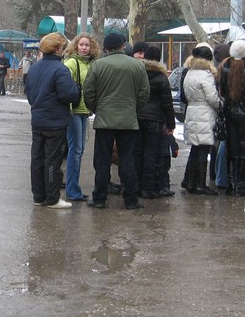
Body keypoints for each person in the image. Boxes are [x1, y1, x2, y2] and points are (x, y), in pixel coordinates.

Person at [84, 32, 151, 210]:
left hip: (104, 120)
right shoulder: (137, 66)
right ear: (123, 46)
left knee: (102, 160)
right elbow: (145, 93)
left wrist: (96, 109)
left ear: (106, 48)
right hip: (128, 120)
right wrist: (133, 109)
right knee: (127, 160)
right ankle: (131, 199)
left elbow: (88, 92)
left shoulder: (97, 65)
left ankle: (99, 198)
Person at [26, 32, 80, 209]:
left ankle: (38, 195)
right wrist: (76, 90)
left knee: (37, 158)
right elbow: (69, 95)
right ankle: (52, 198)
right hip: (55, 122)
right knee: (52, 161)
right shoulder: (60, 70)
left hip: (38, 119)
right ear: (58, 49)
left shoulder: (34, 68)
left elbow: (29, 93)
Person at [218, 40, 245, 196]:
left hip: (229, 111)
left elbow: (222, 91)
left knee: (231, 148)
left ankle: (231, 184)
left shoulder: (224, 69)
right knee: (244, 149)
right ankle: (240, 184)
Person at [62, 33, 101, 201]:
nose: (84, 48)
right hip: (73, 110)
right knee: (75, 150)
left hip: (85, 110)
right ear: (76, 46)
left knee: (80, 149)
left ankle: (74, 187)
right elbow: (65, 87)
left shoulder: (92, 63)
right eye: (81, 45)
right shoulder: (71, 63)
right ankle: (72, 190)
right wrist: (69, 108)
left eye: (87, 45)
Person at [135, 46, 176, 198]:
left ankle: (136, 186)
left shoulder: (138, 74)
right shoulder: (161, 77)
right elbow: (167, 103)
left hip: (138, 117)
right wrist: (171, 124)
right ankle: (148, 188)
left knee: (138, 153)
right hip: (155, 120)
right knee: (151, 154)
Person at [182, 43, 220, 195]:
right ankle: (200, 184)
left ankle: (191, 182)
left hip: (192, 112)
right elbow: (212, 98)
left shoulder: (189, 73)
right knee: (203, 149)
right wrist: (220, 104)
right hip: (204, 113)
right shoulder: (206, 75)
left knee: (195, 149)